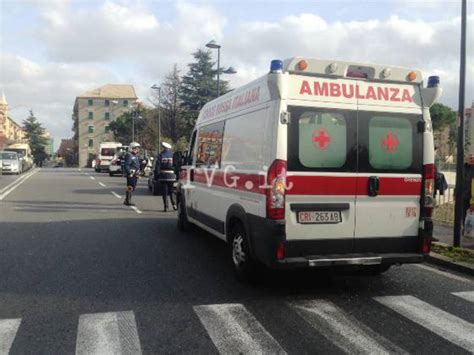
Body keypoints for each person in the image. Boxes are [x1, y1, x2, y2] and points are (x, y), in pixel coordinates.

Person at [156, 142, 176, 212]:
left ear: (163, 148)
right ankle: (174, 205)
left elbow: (157, 167)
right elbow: (176, 165)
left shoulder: (161, 155)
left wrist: (157, 176)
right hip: (172, 176)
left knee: (164, 192)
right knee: (172, 191)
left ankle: (166, 207)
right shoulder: (173, 155)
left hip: (163, 176)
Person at [123, 142, 141, 206]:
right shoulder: (129, 155)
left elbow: (137, 165)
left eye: (138, 148)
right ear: (132, 148)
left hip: (135, 173)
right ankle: (128, 200)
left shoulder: (135, 155)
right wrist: (129, 172)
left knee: (133, 187)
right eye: (136, 148)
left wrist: (138, 172)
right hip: (131, 173)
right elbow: (127, 165)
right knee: (130, 186)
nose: (137, 150)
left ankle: (127, 200)